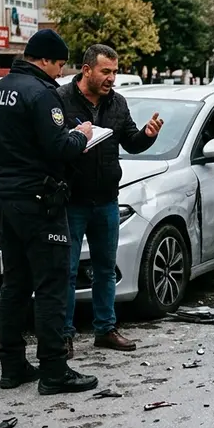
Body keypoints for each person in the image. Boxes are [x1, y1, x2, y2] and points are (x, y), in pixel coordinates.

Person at [0, 28, 99, 396]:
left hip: (5, 195)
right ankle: (54, 370)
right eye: (59, 64)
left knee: (14, 284)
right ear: (45, 59)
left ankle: (12, 365)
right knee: (51, 285)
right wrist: (82, 134)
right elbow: (58, 147)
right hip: (39, 199)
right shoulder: (41, 93)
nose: (61, 72)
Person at [56, 44, 162, 357]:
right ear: (86, 70)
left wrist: (148, 135)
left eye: (114, 72)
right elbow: (52, 146)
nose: (111, 78)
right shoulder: (60, 99)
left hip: (106, 200)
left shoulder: (117, 102)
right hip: (72, 201)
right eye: (106, 71)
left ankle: (105, 328)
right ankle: (63, 335)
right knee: (67, 271)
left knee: (105, 269)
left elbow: (131, 141)